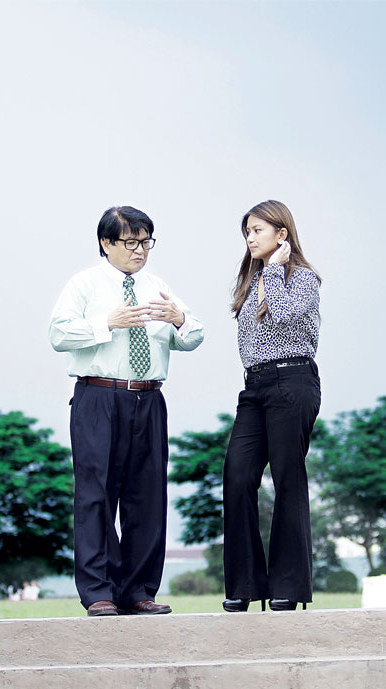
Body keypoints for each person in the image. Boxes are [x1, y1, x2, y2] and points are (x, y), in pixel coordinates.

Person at [49, 205, 204, 616]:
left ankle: (139, 591)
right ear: (106, 243)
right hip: (99, 397)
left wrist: (180, 318)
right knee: (96, 494)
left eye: (146, 241)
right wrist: (107, 323)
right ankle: (99, 591)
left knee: (147, 497)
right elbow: (58, 334)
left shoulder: (157, 285)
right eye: (130, 241)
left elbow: (193, 337)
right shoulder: (84, 285)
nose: (140, 250)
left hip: (149, 398)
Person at [222, 200, 321, 613]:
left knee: (287, 479)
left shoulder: (304, 278)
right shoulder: (252, 280)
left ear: (282, 234)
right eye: (247, 231)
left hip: (293, 381)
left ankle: (288, 586)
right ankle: (245, 585)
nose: (250, 238)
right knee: (237, 476)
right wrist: (265, 274)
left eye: (258, 230)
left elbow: (281, 317)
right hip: (255, 388)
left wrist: (277, 269)